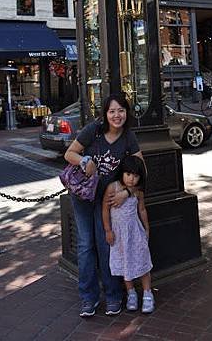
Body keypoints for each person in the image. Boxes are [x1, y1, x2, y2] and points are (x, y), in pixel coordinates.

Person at [64, 93, 144, 318]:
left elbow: (140, 167)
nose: (116, 115)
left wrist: (127, 192)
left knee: (105, 243)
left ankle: (113, 295)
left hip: (107, 200)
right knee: (85, 244)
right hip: (82, 195)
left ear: (126, 113)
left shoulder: (128, 137)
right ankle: (88, 298)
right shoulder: (94, 130)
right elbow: (69, 153)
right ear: (105, 114)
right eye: (112, 111)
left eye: (121, 110)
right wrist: (84, 161)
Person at [102, 155, 154, 314]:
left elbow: (142, 210)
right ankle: (131, 293)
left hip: (134, 232)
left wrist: (146, 228)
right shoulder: (113, 188)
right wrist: (108, 230)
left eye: (136, 176)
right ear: (122, 173)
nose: (132, 179)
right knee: (125, 263)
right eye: (129, 174)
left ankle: (147, 293)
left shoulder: (137, 192)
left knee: (142, 260)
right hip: (118, 235)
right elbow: (105, 209)